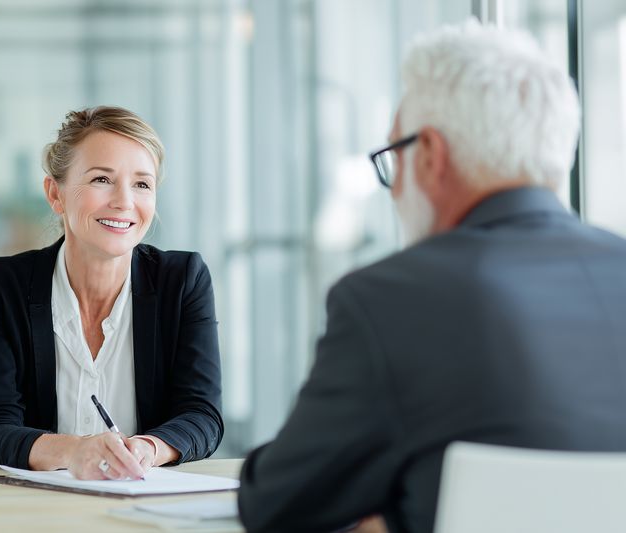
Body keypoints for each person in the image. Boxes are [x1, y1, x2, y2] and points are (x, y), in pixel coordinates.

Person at [238, 20, 626, 533]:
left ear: (431, 157)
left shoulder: (390, 298)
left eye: (392, 160)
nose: (394, 190)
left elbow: (277, 503)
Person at [0, 106, 223, 480]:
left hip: (140, 505)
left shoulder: (183, 281)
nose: (124, 201)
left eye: (142, 184)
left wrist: (147, 448)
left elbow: (203, 416)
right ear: (56, 193)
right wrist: (76, 450)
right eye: (102, 179)